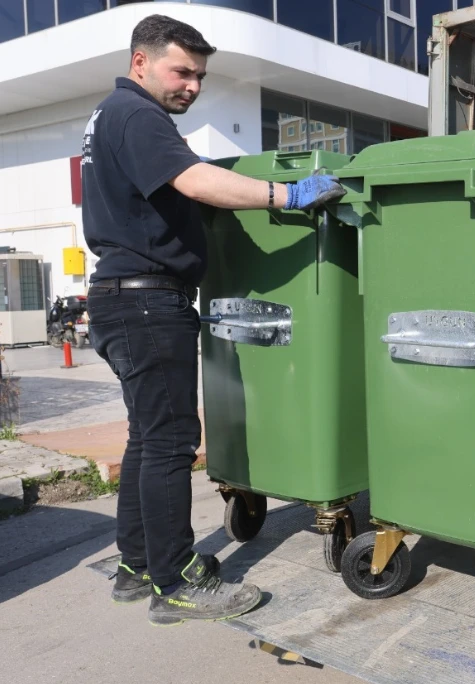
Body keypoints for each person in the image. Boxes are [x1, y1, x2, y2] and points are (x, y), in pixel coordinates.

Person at [81, 14, 345, 626]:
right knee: (171, 444)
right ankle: (174, 583)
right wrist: (287, 195)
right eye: (182, 72)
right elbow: (196, 180)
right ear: (140, 62)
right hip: (147, 300)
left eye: (200, 76)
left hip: (122, 298)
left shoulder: (107, 116)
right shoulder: (136, 115)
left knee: (147, 439)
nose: (193, 86)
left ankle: (138, 565)